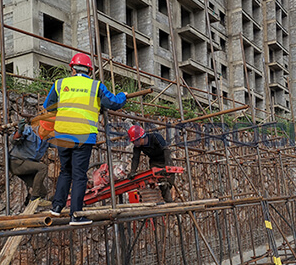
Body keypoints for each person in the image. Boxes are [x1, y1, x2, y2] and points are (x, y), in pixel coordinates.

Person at [43, 53, 127, 226]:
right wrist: (123, 95)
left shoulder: (60, 84)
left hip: (62, 134)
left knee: (66, 171)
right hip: (83, 135)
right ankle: (76, 215)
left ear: (72, 68)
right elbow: (113, 103)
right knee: (79, 175)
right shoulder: (95, 86)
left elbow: (48, 106)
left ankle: (56, 207)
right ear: (90, 70)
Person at [9, 119, 52, 207]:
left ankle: (34, 203)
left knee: (42, 192)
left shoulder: (48, 139)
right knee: (42, 167)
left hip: (28, 166)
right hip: (17, 163)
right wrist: (19, 131)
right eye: (44, 129)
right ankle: (34, 198)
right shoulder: (29, 130)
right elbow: (14, 140)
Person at [127, 125, 174, 203]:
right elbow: (135, 158)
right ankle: (169, 202)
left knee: (169, 182)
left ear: (141, 138)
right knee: (162, 183)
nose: (133, 143)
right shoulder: (137, 146)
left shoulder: (155, 137)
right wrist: (132, 171)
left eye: (134, 141)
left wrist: (167, 166)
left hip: (165, 159)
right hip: (154, 162)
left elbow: (166, 150)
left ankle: (170, 202)